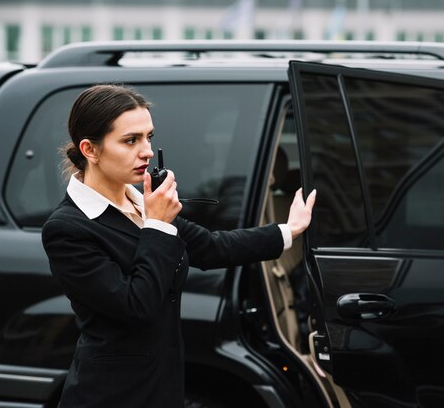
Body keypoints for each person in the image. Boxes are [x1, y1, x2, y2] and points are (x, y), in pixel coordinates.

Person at [41, 84, 316, 407]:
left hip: (163, 387)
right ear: (90, 150)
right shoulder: (68, 229)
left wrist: (289, 230)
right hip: (110, 396)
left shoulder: (143, 203)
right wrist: (156, 225)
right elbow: (136, 305)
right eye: (131, 140)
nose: (145, 151)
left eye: (148, 137)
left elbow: (212, 247)